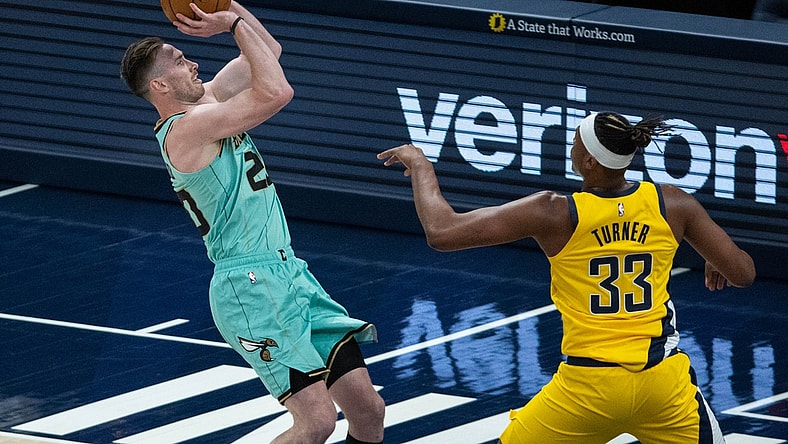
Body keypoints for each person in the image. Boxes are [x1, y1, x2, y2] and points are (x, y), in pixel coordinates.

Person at [378, 111, 755, 443]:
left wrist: (422, 166)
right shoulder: (672, 202)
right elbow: (743, 274)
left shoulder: (554, 212)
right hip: (662, 384)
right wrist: (715, 256)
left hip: (588, 388)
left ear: (589, 161)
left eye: (575, 141)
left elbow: (442, 232)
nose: (570, 147)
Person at [120, 3, 384, 443]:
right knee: (317, 421)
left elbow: (268, 51)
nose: (193, 63)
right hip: (249, 286)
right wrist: (232, 25)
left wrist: (226, 8)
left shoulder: (207, 104)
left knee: (369, 409)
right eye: (181, 61)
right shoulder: (187, 129)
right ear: (159, 85)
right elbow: (277, 92)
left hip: (289, 272)